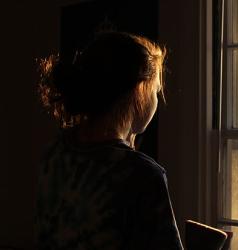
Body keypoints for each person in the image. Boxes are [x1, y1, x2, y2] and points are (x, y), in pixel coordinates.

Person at [35, 31, 184, 250]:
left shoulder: (53, 154)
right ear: (138, 92)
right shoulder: (143, 175)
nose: (156, 100)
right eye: (156, 91)